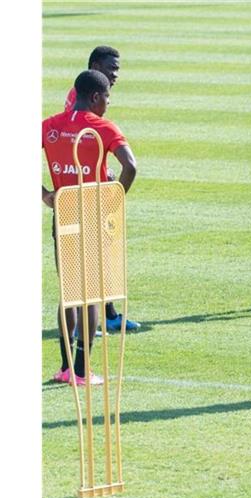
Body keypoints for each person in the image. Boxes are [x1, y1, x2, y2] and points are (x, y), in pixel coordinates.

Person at [43, 70, 138, 385]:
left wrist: (44, 195)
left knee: (68, 291)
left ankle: (65, 367)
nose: (109, 103)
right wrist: (113, 200)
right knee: (91, 293)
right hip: (93, 213)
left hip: (64, 213)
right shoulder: (101, 127)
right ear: (96, 96)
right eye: (108, 97)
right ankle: (82, 371)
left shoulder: (51, 125)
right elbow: (131, 166)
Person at [65, 46, 140, 333]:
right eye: (112, 68)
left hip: (91, 185)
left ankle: (105, 314)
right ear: (96, 65)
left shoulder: (84, 93)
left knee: (99, 258)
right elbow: (76, 140)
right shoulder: (79, 99)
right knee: (90, 262)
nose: (116, 74)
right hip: (87, 194)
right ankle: (95, 319)